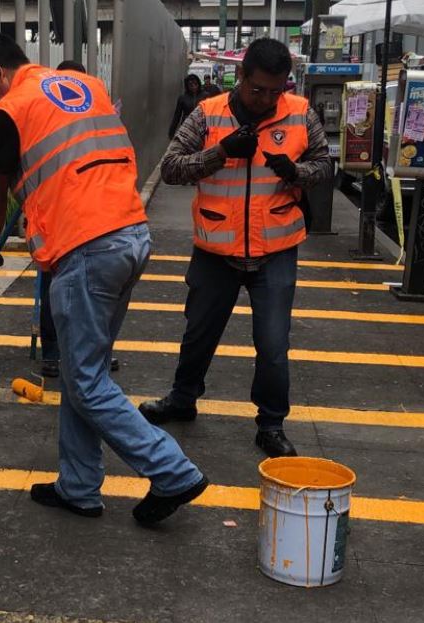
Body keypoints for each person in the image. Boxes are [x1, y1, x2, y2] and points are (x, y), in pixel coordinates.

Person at [0, 31, 207, 524]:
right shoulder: (85, 87)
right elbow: (75, 165)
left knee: (86, 381)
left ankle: (172, 471)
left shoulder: (10, 108)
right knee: (85, 372)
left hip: (86, 250)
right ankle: (78, 486)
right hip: (129, 234)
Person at [139, 38, 331, 458]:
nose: (266, 99)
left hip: (275, 249)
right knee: (198, 333)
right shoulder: (207, 114)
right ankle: (182, 399)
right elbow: (171, 168)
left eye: (275, 91)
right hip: (215, 249)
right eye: (257, 89)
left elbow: (324, 164)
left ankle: (271, 423)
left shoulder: (300, 113)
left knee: (273, 344)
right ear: (240, 76)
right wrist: (220, 153)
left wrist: (296, 172)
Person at [38, 59, 118, 378]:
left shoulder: (99, 115)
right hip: (62, 216)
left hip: (91, 215)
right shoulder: (56, 118)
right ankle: (55, 353)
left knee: (88, 289)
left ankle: (78, 353)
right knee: (56, 287)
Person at [168, 74, 202, 138]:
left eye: (195, 84)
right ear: (187, 86)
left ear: (198, 84)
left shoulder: (205, 96)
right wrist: (171, 132)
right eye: (191, 85)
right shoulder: (183, 98)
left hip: (201, 128)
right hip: (186, 128)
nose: (194, 87)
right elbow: (177, 116)